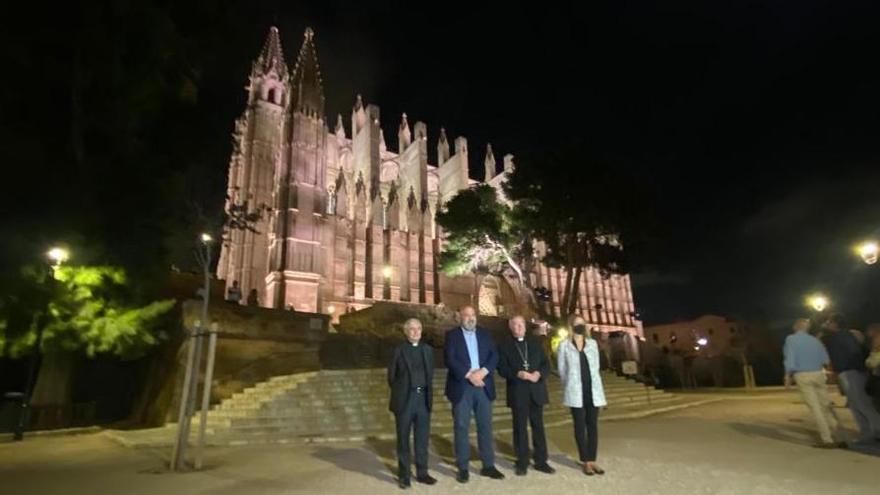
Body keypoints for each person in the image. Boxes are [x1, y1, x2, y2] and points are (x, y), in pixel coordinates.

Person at [444, 305, 504, 483]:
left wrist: (483, 372)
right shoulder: (452, 335)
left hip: (483, 385)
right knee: (462, 428)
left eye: (472, 315)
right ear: (459, 317)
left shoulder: (485, 334)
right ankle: (463, 467)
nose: (470, 318)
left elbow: (494, 356)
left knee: (485, 426)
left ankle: (488, 465)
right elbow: (450, 359)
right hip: (463, 386)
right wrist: (470, 375)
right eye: (466, 315)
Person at [497, 315, 555, 476]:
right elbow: (502, 368)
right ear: (510, 327)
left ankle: (541, 461)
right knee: (519, 428)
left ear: (525, 325)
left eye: (520, 324)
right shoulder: (504, 345)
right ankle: (522, 462)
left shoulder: (536, 342)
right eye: (514, 324)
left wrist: (538, 374)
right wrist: (517, 374)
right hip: (518, 391)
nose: (518, 327)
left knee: (539, 427)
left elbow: (546, 364)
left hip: (536, 389)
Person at [387, 318, 437, 489]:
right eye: (412, 329)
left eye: (419, 329)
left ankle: (422, 473)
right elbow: (391, 377)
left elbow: (430, 374)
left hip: (423, 399)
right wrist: (402, 392)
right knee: (403, 439)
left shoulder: (428, 350)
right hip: (405, 401)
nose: (416, 332)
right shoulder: (398, 350)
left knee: (422, 439)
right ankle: (404, 475)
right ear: (406, 331)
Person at [557, 315, 607, 475]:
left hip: (592, 390)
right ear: (571, 326)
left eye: (582, 324)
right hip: (575, 391)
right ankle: (585, 460)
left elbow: (596, 367)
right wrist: (569, 386)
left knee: (592, 425)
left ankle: (593, 459)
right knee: (579, 426)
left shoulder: (592, 344)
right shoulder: (564, 345)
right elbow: (562, 370)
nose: (580, 327)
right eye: (576, 324)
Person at [783, 318, 844, 448]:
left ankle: (827, 439)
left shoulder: (791, 339)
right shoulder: (815, 340)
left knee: (816, 408)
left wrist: (788, 376)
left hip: (803, 375)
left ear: (796, 327)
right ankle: (838, 435)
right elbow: (825, 359)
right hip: (818, 374)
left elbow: (790, 357)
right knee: (826, 405)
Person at [821, 314, 880, 444]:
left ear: (835, 324)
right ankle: (867, 432)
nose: (827, 324)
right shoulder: (848, 335)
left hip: (850, 372)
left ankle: (875, 430)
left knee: (861, 404)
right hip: (851, 371)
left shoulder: (840, 336)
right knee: (855, 404)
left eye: (829, 322)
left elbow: (853, 353)